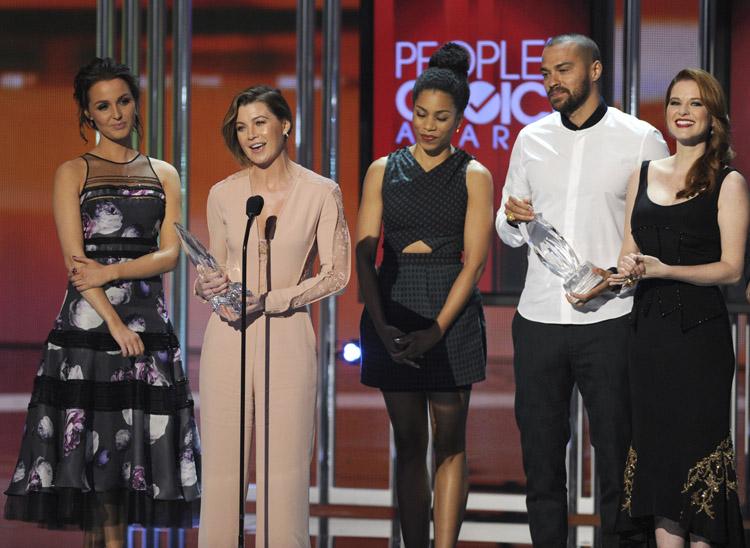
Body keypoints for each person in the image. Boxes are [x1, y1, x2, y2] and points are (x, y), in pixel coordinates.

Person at [3, 58, 201, 547]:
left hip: (149, 327)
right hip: (89, 331)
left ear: (136, 104)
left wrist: (112, 271)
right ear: (87, 116)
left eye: (124, 101)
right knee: (94, 460)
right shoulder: (72, 172)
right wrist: (113, 323)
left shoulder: (164, 173)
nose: (116, 113)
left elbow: (172, 254)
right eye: (103, 106)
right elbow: (76, 264)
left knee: (134, 454)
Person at [496, 34, 669, 547]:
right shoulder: (530, 138)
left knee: (617, 456)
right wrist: (509, 216)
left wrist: (623, 272)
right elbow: (508, 228)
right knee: (542, 461)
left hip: (611, 320)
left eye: (563, 70)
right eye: (546, 71)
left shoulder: (640, 139)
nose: (552, 80)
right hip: (540, 320)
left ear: (594, 71)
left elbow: (657, 230)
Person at [194, 85, 350, 547]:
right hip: (227, 337)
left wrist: (275, 299)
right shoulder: (223, 194)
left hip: (286, 333)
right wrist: (208, 287)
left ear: (285, 124)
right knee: (222, 473)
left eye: (260, 123)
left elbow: (337, 273)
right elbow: (215, 270)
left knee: (283, 474)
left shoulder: (321, 192)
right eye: (241, 127)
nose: (251, 135)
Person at [358, 42, 493, 547]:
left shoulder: (474, 174)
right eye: (420, 114)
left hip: (450, 313)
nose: (428, 125)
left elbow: (474, 262)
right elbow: (364, 255)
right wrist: (381, 322)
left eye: (441, 117)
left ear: (459, 119)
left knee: (451, 446)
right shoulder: (382, 169)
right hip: (391, 305)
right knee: (409, 443)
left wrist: (435, 331)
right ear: (409, 111)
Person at [612, 68, 748, 547]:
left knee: (698, 461)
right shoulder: (641, 176)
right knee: (657, 460)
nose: (683, 112)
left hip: (700, 342)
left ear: (713, 117)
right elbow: (628, 255)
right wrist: (607, 277)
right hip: (647, 339)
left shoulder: (729, 183)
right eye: (675, 102)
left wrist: (664, 269)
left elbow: (731, 269)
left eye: (695, 104)